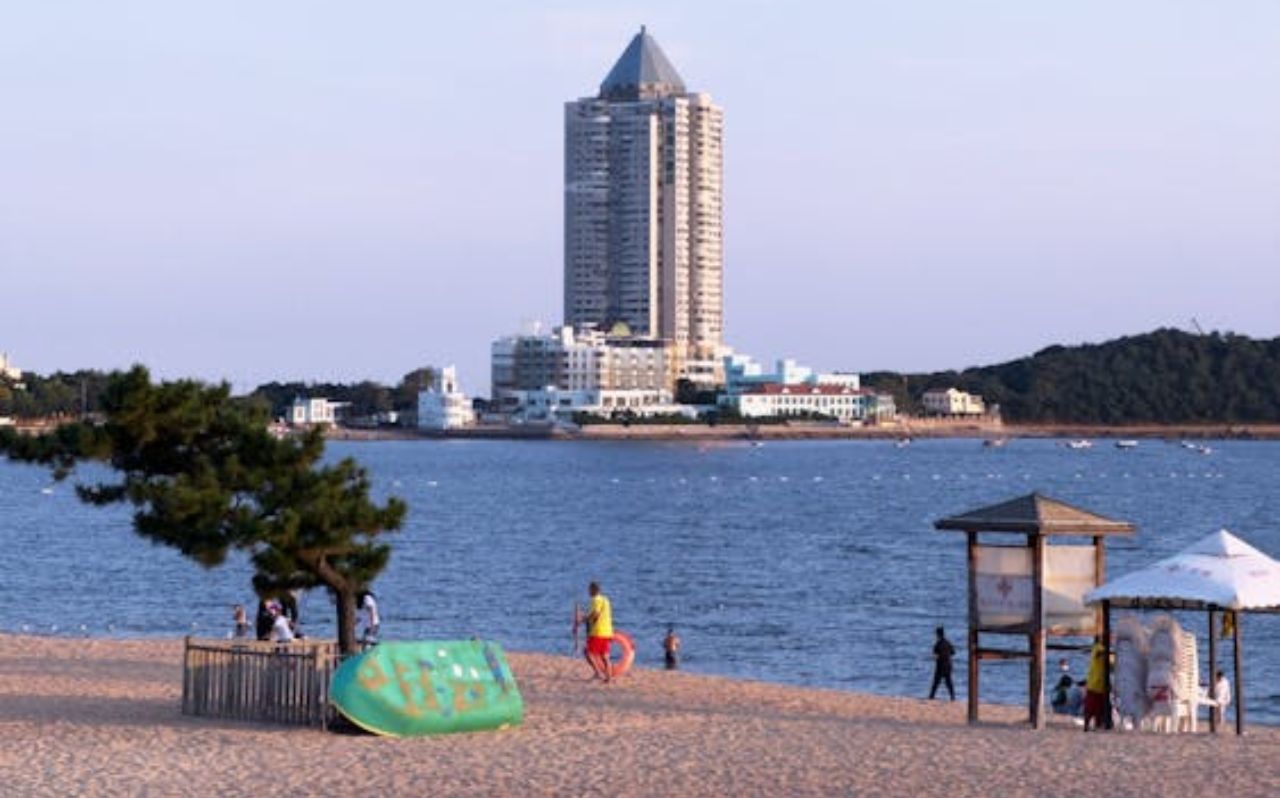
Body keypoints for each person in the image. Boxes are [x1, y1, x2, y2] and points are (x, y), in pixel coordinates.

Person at [584, 582, 614, 683]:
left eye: (589, 590)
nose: (588, 592)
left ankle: (597, 673)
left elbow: (595, 615)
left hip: (598, 631)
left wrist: (584, 619)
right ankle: (608, 678)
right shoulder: (606, 600)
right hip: (607, 631)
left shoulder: (595, 600)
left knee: (587, 653)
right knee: (604, 655)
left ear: (593, 590)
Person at [1082, 643, 1108, 731]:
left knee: (1097, 708)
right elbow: (1098, 653)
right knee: (1093, 707)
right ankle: (1089, 724)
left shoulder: (1098, 650)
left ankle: (1095, 724)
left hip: (1096, 684)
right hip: (1096, 684)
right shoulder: (1098, 649)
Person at [929, 626, 955, 701]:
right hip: (948, 665)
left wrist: (938, 657)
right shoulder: (948, 643)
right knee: (949, 682)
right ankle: (952, 696)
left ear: (938, 634)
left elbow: (935, 654)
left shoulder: (938, 644)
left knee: (936, 682)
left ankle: (931, 696)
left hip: (940, 665)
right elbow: (953, 652)